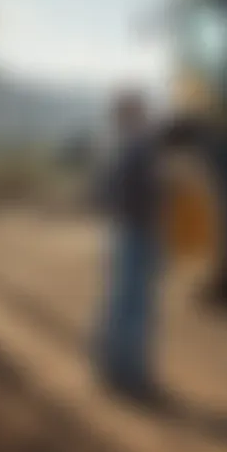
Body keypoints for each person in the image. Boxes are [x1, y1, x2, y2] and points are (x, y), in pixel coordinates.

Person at [92, 89, 165, 403]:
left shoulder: (117, 145)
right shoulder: (138, 148)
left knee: (119, 300)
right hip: (137, 233)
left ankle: (110, 368)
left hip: (124, 231)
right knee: (135, 305)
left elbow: (105, 192)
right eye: (140, 110)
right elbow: (151, 193)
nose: (145, 115)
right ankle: (131, 376)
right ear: (134, 114)